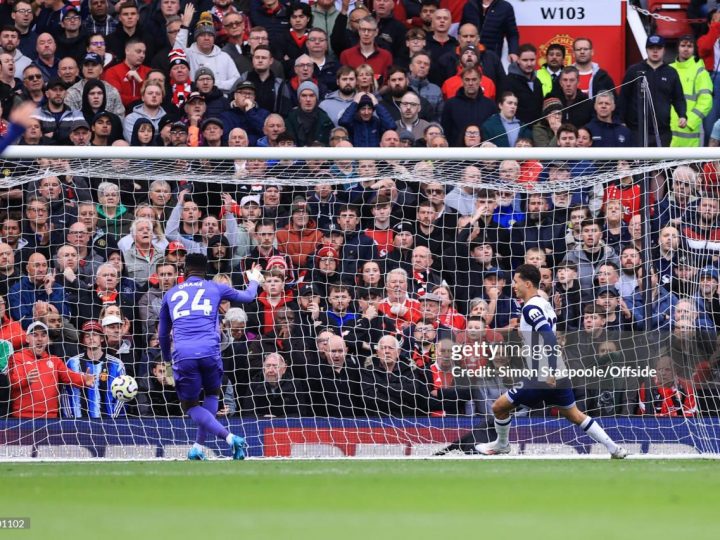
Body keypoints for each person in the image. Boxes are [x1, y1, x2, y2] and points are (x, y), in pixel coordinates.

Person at [476, 264, 628, 458]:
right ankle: (614, 448)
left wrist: (549, 371)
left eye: (516, 281)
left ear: (528, 283)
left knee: (499, 407)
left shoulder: (531, 308)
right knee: (574, 415)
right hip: (558, 371)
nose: (513, 285)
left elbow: (548, 337)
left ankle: (502, 445)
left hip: (542, 374)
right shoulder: (542, 303)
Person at [158, 253, 264, 460]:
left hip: (184, 354)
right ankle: (198, 447)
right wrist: (254, 279)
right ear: (206, 272)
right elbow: (249, 297)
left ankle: (230, 437)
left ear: (183, 272)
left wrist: (167, 360)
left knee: (190, 406)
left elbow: (163, 334)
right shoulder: (215, 287)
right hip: (210, 352)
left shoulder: (170, 294)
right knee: (212, 395)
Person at [8, 321, 95, 418]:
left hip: (50, 419)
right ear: (27, 338)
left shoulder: (54, 360)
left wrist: (84, 380)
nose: (40, 339)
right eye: (35, 335)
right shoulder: (17, 357)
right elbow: (13, 382)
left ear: (48, 339)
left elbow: (69, 376)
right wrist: (26, 380)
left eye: (43, 335)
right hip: (22, 418)